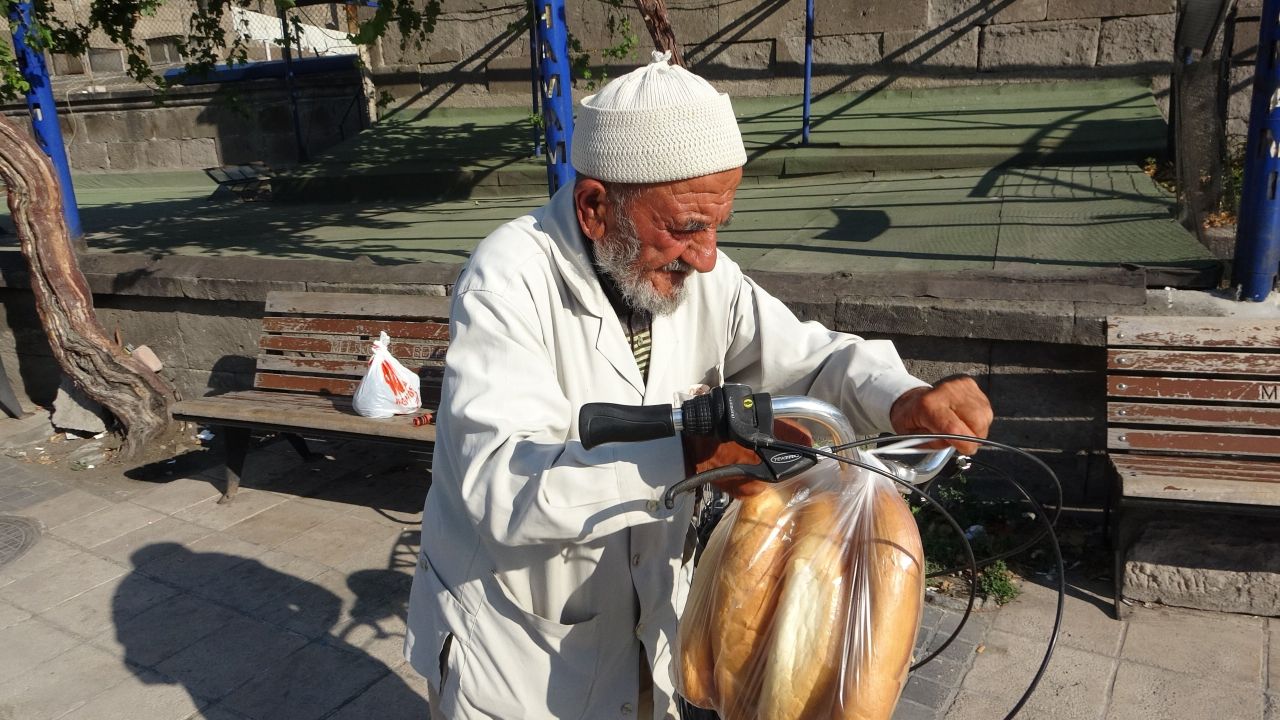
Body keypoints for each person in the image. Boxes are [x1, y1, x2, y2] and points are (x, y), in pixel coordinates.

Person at [404, 51, 993, 720]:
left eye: (718, 227)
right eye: (686, 228)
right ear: (596, 207)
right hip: (520, 646)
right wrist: (683, 460)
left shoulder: (704, 276)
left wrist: (902, 397)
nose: (708, 256)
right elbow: (501, 488)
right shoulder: (508, 279)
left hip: (642, 622)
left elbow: (809, 356)